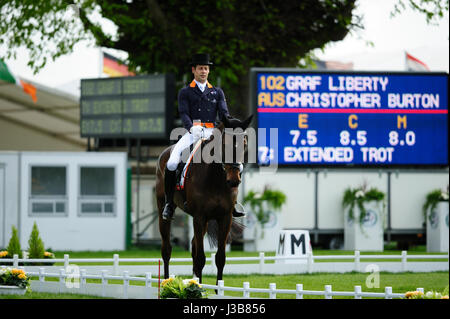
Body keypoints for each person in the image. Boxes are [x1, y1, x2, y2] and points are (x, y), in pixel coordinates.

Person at [162, 53, 245, 220]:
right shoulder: (185, 92)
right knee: (171, 162)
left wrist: (231, 126)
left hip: (212, 132)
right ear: (194, 70)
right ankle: (169, 203)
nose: (203, 71)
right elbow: (184, 113)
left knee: (237, 165)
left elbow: (224, 114)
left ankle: (232, 202)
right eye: (200, 68)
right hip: (192, 132)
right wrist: (191, 127)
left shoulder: (217, 92)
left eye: (206, 68)